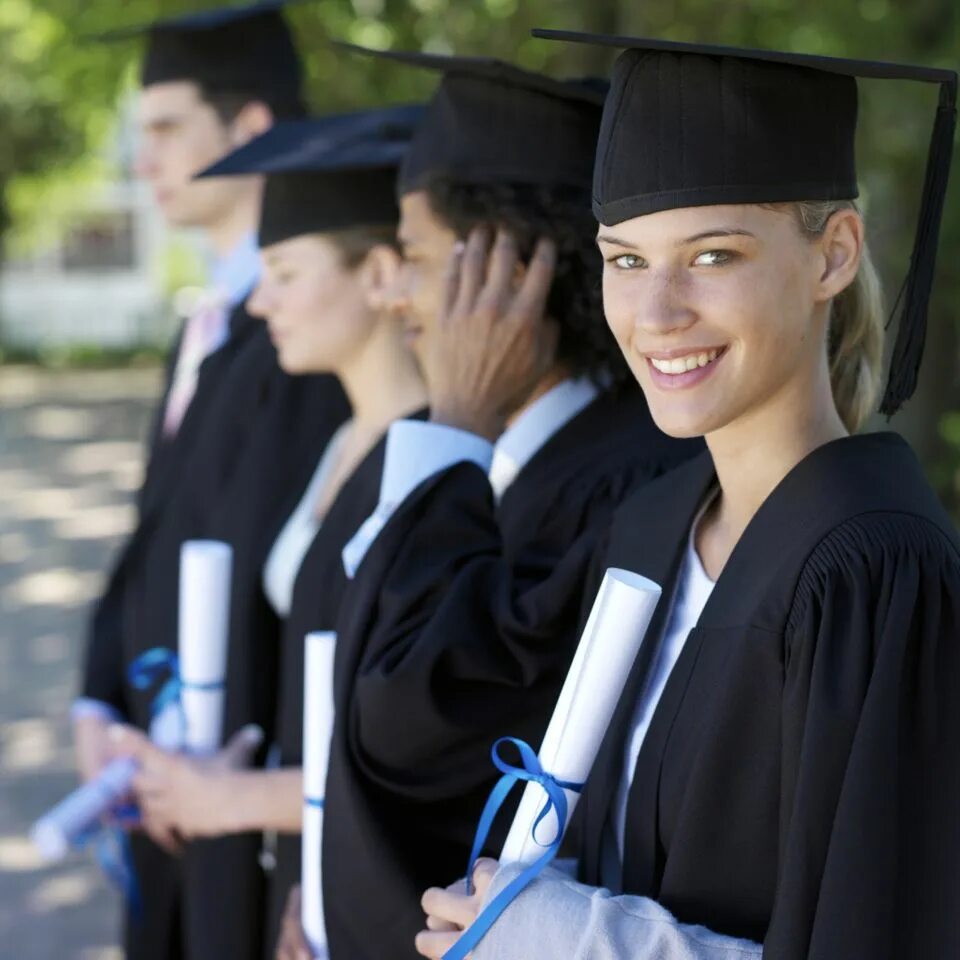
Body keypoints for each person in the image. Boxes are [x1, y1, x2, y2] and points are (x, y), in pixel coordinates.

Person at [417, 34, 960, 960]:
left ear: (832, 256)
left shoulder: (873, 569)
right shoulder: (656, 521)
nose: (658, 312)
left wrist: (568, 938)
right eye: (625, 259)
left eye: (712, 256)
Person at [274, 47, 699, 960]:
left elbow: (408, 720)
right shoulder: (519, 459)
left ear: (514, 270)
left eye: (417, 257)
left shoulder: (625, 482)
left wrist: (457, 417)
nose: (395, 296)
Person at [110, 104, 428, 959]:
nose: (263, 297)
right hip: (293, 857)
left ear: (380, 275)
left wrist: (229, 799)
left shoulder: (432, 467)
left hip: (370, 887)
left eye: (286, 271)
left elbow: (425, 754)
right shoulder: (336, 441)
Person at [74, 5, 347, 958]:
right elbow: (154, 533)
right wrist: (97, 702)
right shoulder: (207, 325)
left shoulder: (309, 347)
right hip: (157, 778)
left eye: (164, 129)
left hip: (240, 792)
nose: (140, 157)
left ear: (250, 131)